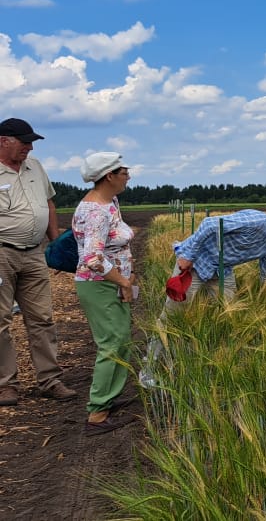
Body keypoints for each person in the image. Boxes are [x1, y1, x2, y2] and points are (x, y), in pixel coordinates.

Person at [0, 117, 77, 406]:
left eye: (31, 142)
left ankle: (49, 380)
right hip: (2, 253)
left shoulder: (36, 168)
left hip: (34, 253)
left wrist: (55, 244)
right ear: (3, 141)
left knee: (42, 318)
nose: (30, 148)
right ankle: (6, 385)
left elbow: (48, 204)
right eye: (24, 142)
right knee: (1, 321)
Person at [72, 152, 137, 435]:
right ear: (109, 176)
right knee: (112, 343)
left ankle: (108, 399)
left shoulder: (110, 202)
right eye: (124, 171)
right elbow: (92, 259)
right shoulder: (96, 211)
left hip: (111, 282)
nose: (129, 175)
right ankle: (97, 414)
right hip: (101, 284)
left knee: (121, 340)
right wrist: (123, 282)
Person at [163, 208, 266, 312]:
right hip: (197, 262)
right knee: (175, 311)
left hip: (222, 270)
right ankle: (154, 354)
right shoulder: (255, 221)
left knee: (228, 311)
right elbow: (210, 224)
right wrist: (188, 256)